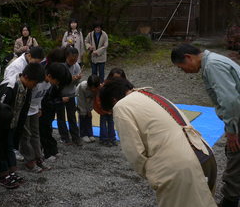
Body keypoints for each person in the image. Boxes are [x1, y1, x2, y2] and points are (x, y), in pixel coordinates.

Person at [99, 78, 217, 207]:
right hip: (205, 154)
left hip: (180, 168)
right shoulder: (151, 95)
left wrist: (153, 174)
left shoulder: (121, 106)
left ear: (113, 100)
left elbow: (134, 152)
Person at [171, 44, 240, 207]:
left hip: (238, 119)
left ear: (189, 57)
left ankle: (230, 201)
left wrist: (232, 131)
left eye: (182, 68)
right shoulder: (215, 60)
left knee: (235, 159)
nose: (185, 72)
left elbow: (230, 101)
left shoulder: (213, 66)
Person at [0, 63, 45, 189]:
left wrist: (18, 128)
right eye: (35, 82)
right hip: (0, 124)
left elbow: (23, 109)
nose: (35, 85)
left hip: (12, 123)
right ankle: (2, 173)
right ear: (26, 77)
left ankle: (11, 171)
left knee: (9, 146)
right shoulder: (9, 86)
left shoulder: (27, 88)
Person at [20, 63, 70, 172]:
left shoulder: (48, 84)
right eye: (57, 81)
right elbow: (27, 96)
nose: (57, 84)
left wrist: (39, 108)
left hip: (35, 110)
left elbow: (40, 98)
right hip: (26, 111)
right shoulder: (38, 82)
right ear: (50, 76)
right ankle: (29, 160)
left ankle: (39, 158)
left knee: (36, 134)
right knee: (26, 136)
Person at [95, 68, 127, 146]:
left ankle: (112, 138)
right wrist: (103, 109)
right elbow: (98, 99)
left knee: (111, 122)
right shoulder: (104, 86)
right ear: (110, 77)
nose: (116, 80)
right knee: (103, 122)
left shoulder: (122, 86)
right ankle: (104, 139)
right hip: (103, 107)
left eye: (119, 78)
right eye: (115, 78)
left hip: (112, 108)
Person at [57, 47, 82, 146]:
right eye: (72, 59)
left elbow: (77, 83)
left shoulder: (76, 66)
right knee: (61, 117)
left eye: (76, 59)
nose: (74, 61)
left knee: (72, 117)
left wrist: (77, 78)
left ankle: (75, 137)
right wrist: (71, 78)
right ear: (66, 57)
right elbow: (58, 82)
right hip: (60, 94)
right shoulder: (60, 66)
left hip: (71, 93)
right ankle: (64, 137)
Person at [76, 74, 101, 143]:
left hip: (89, 100)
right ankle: (83, 134)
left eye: (94, 88)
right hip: (81, 98)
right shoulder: (82, 87)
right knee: (82, 116)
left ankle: (90, 134)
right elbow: (82, 101)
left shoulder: (99, 87)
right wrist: (84, 111)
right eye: (91, 88)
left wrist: (89, 110)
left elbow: (93, 100)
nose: (93, 89)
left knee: (89, 117)